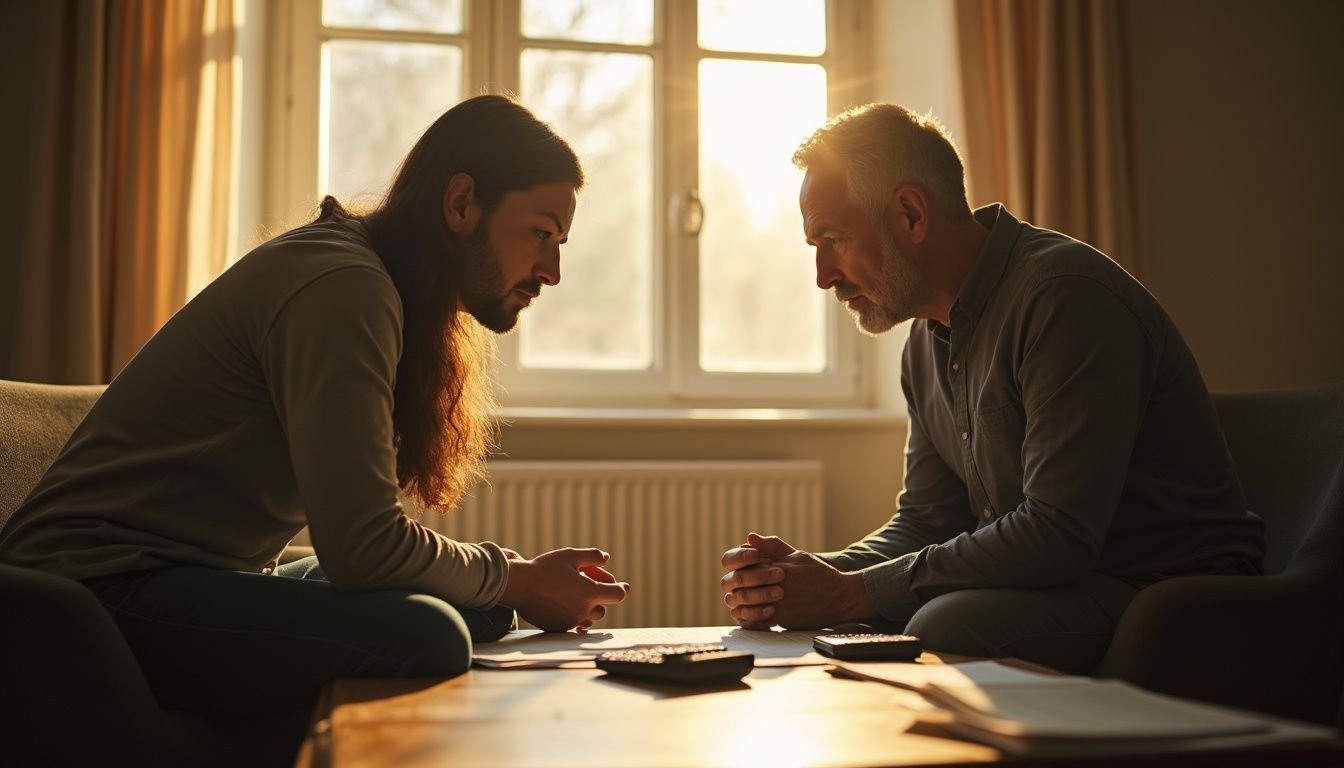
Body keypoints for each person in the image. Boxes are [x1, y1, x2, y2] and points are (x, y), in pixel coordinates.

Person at [0, 94, 629, 762]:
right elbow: (366, 547)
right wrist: (522, 579)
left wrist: (513, 579)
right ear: (461, 203)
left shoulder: (375, 282)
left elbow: (362, 546)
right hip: (94, 598)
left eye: (559, 244)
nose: (552, 272)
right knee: (430, 634)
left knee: (482, 609)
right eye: (539, 234)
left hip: (202, 575)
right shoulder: (343, 285)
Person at [718, 103, 1264, 674]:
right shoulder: (924, 344)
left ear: (910, 214)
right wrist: (800, 578)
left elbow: (1058, 532)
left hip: (1166, 592)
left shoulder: (1065, 298)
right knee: (884, 614)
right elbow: (927, 521)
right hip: (1068, 582)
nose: (823, 275)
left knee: (943, 622)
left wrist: (851, 591)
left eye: (832, 239)